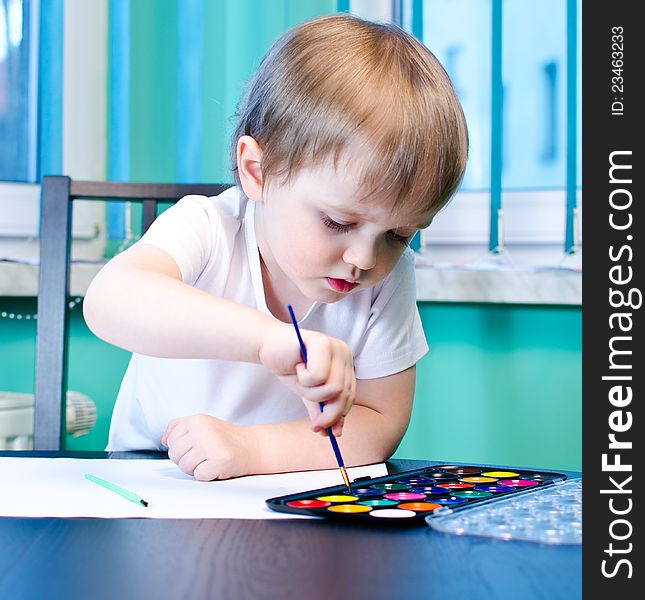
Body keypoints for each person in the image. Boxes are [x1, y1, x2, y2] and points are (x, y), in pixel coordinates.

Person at [83, 13, 468, 481]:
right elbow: (109, 299)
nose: (365, 259)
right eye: (338, 221)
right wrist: (268, 340)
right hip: (154, 478)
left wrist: (253, 450)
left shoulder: (389, 276)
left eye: (400, 234)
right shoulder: (207, 227)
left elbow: (380, 421)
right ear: (257, 172)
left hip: (280, 489)